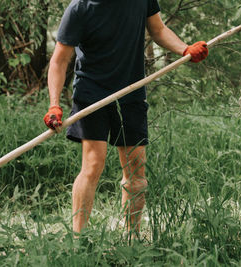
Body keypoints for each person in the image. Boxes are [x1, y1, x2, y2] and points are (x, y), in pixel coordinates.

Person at [44, 0, 208, 235]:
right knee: (92, 164)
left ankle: (132, 238)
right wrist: (54, 105)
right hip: (92, 93)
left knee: (136, 172)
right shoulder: (80, 8)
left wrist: (185, 49)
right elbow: (60, 60)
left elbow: (158, 30)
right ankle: (79, 240)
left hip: (131, 91)